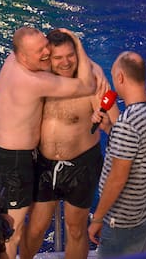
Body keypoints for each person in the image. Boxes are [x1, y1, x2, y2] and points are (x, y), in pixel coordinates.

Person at [0, 26, 97, 259]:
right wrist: (80, 46)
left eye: (46, 46)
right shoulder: (34, 80)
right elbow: (87, 86)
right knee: (11, 230)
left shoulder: (11, 60)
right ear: (23, 56)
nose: (46, 53)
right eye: (40, 51)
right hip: (14, 160)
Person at [18, 29, 119, 259]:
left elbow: (118, 126)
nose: (65, 62)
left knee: (75, 229)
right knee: (35, 228)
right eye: (58, 57)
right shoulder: (40, 82)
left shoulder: (92, 83)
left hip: (81, 166)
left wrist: (107, 126)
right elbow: (17, 59)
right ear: (47, 59)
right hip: (44, 166)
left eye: (70, 56)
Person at [87, 51, 146, 258]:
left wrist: (97, 218)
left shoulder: (127, 122)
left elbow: (117, 178)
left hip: (123, 220)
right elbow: (142, 149)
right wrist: (109, 129)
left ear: (121, 77)